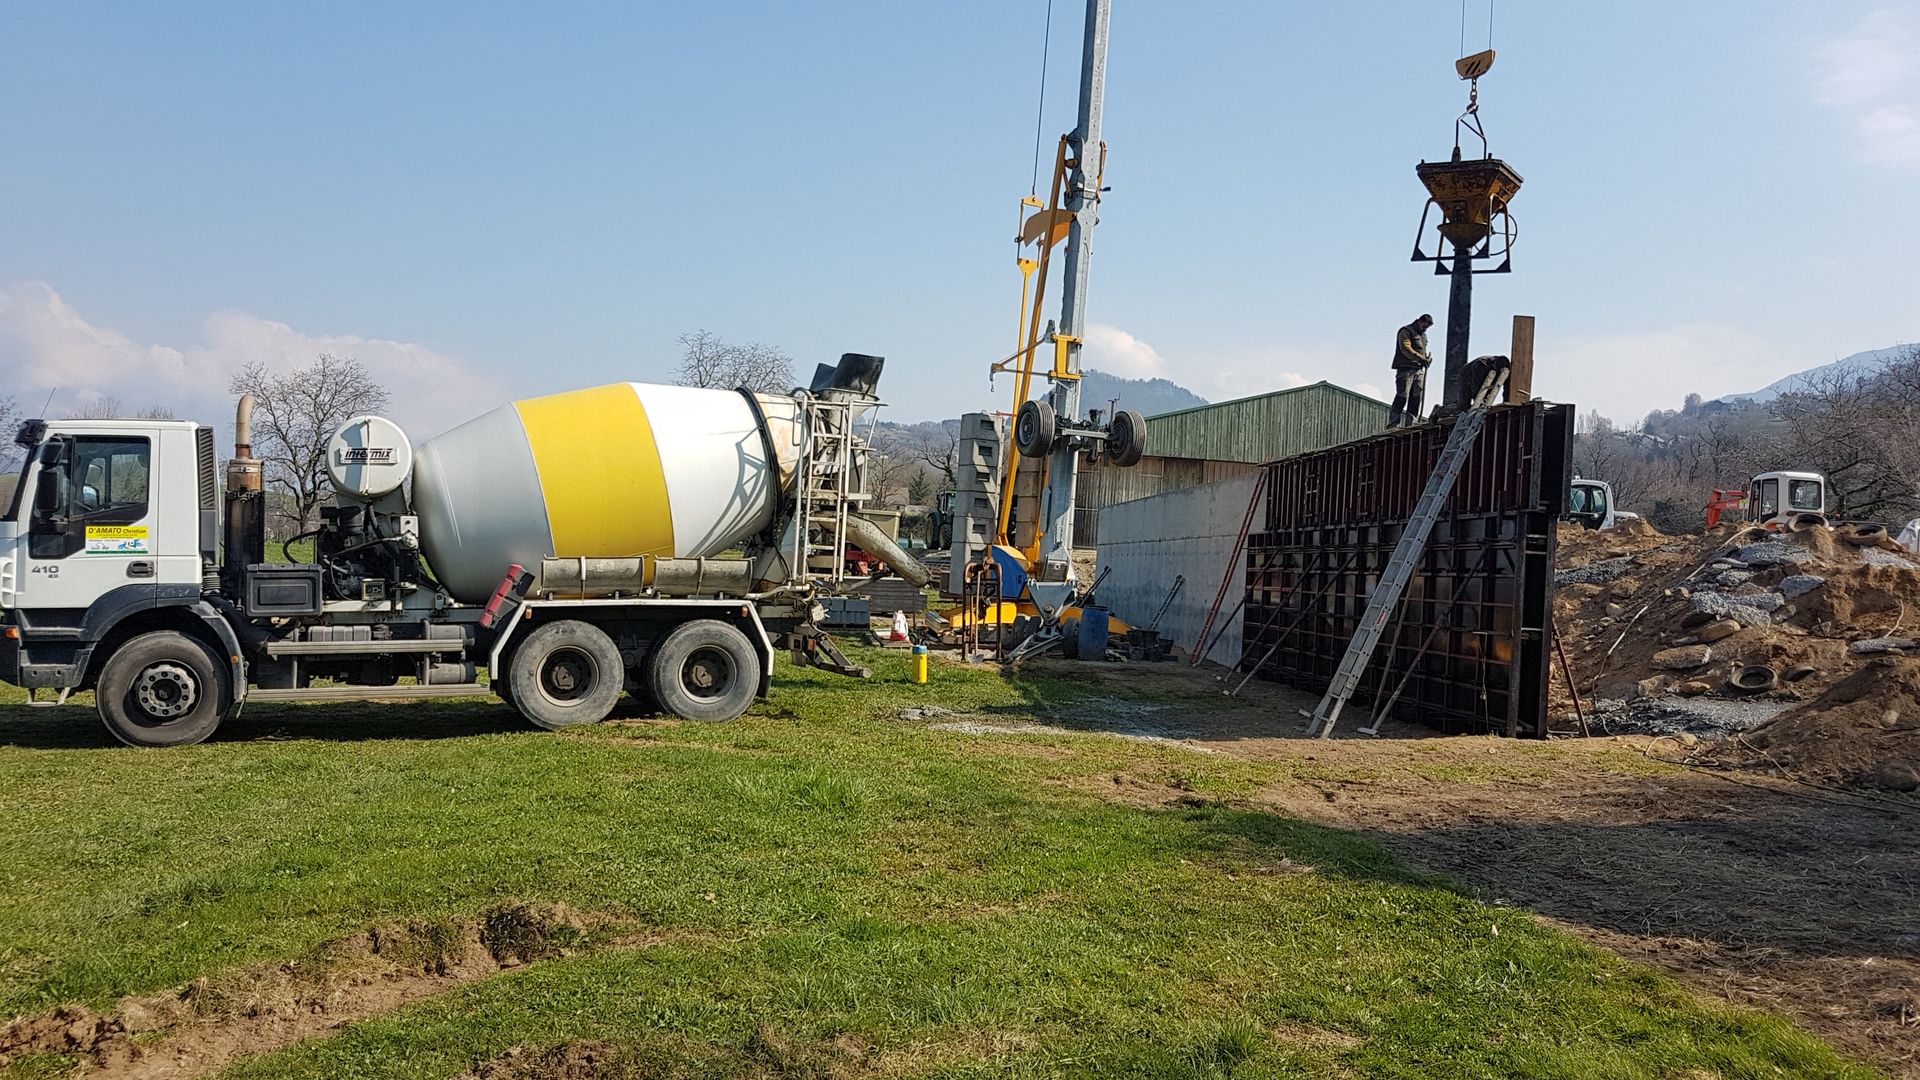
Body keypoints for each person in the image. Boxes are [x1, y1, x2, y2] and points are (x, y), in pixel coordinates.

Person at [1387, 314, 1434, 428]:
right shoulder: (1405, 331)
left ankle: (1411, 424)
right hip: (1406, 370)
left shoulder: (1423, 336)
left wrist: (1425, 360)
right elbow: (1405, 348)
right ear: (1419, 321)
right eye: (1424, 326)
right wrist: (1421, 358)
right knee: (1402, 396)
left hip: (1419, 370)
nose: (1425, 329)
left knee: (1416, 398)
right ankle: (1393, 424)